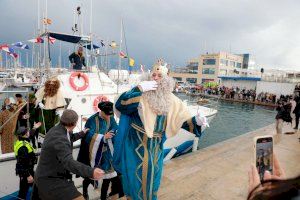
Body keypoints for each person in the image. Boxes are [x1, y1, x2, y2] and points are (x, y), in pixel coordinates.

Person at [113, 59, 209, 200]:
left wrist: (197, 122)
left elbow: (183, 121)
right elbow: (121, 104)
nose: (156, 78)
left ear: (166, 80)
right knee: (134, 181)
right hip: (135, 146)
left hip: (155, 148)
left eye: (160, 76)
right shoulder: (140, 95)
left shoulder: (172, 100)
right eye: (154, 75)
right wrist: (139, 89)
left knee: (153, 181)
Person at [33, 109, 104, 200]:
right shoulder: (59, 138)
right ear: (75, 123)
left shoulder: (59, 129)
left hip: (50, 176)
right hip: (51, 180)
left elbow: (70, 138)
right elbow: (68, 162)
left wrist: (82, 133)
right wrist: (91, 172)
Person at [77, 101, 124, 200]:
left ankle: (104, 197)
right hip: (92, 152)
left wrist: (112, 134)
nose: (108, 117)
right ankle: (85, 190)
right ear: (101, 111)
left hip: (106, 151)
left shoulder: (110, 117)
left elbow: (115, 127)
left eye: (110, 115)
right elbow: (88, 135)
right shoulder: (92, 120)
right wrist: (102, 137)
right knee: (91, 176)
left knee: (108, 175)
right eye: (106, 114)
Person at [14, 126, 39, 199]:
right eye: (27, 131)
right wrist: (28, 175)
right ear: (25, 134)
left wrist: (34, 128)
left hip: (26, 171)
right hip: (26, 172)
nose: (28, 132)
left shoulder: (22, 141)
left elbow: (30, 136)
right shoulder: (23, 147)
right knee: (24, 193)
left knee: (24, 192)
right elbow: (21, 163)